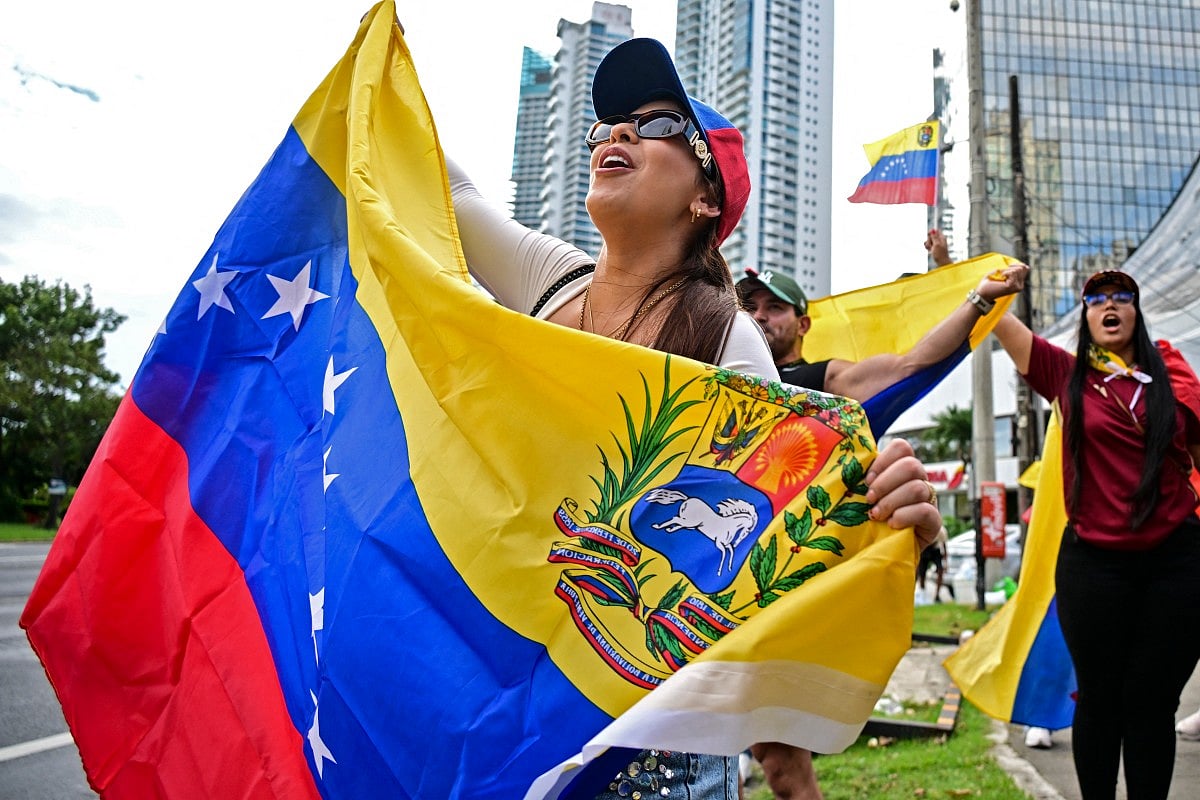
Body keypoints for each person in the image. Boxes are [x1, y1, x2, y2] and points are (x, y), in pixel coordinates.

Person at [445, 36, 946, 800]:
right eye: (609, 124)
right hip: (512, 707)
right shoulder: (549, 282)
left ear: (704, 197)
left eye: (653, 124)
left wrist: (894, 511)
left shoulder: (726, 341)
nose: (616, 132)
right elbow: (439, 190)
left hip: (652, 753)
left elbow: (794, 521)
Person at [738, 232, 1027, 799]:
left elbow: (914, 361)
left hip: (777, 586)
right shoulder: (716, 377)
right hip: (696, 580)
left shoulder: (826, 385)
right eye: (750, 307)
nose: (760, 315)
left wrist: (979, 299)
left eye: (775, 307)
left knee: (781, 764)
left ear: (802, 325)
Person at [986, 268, 1200, 799]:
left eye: (1121, 297)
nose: (1110, 305)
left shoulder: (1171, 375)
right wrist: (961, 270)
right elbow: (1000, 323)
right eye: (1097, 299)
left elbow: (1195, 454)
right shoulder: (1069, 375)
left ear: (1136, 312)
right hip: (1094, 565)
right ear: (1086, 316)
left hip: (1176, 561)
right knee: (1101, 699)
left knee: (1153, 703)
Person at [917, 525, 953, 603]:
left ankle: (937, 595)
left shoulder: (941, 531)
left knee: (940, 570)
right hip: (924, 549)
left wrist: (945, 563)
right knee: (922, 573)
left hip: (935, 550)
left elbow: (944, 547)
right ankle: (922, 594)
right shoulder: (923, 527)